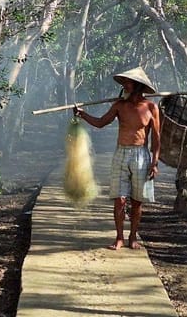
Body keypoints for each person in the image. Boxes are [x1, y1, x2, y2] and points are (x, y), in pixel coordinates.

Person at [74, 67, 161, 250]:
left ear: (137, 86)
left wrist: (154, 163)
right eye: (124, 83)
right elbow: (100, 123)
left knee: (137, 202)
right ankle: (119, 237)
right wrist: (82, 114)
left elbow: (156, 138)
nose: (125, 85)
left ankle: (133, 237)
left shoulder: (151, 107)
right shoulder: (119, 106)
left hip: (141, 155)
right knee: (119, 199)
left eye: (128, 83)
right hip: (121, 153)